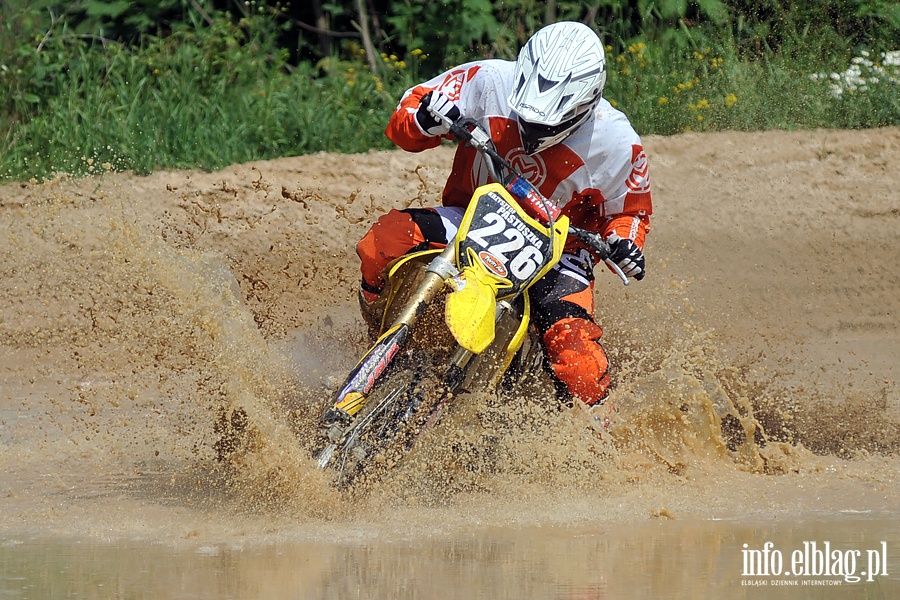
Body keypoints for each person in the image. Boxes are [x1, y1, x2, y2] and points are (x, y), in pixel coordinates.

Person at [355, 21, 652, 407]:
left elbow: (631, 213)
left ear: (584, 104)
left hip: (557, 254)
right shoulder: (489, 80)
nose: (530, 130)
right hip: (474, 214)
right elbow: (411, 108)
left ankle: (598, 438)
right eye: (525, 117)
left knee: (578, 364)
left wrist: (625, 244)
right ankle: (375, 334)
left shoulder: (616, 143)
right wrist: (422, 121)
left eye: (543, 124)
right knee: (384, 241)